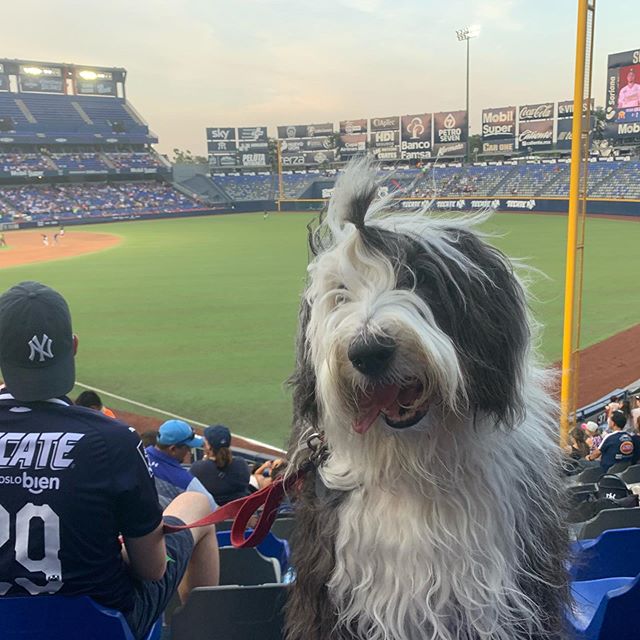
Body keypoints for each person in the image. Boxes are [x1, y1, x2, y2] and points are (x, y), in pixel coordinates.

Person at [0, 281, 219, 639]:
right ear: (73, 347)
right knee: (197, 503)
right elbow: (151, 569)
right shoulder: (113, 440)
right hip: (101, 625)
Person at [146, 420, 217, 511]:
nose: (188, 451)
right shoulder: (184, 480)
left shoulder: (137, 457)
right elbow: (213, 509)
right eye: (188, 447)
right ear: (173, 449)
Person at [190, 424, 254, 505]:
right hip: (240, 512)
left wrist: (205, 461)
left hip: (213, 514)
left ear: (209, 446)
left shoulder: (198, 468)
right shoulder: (241, 464)